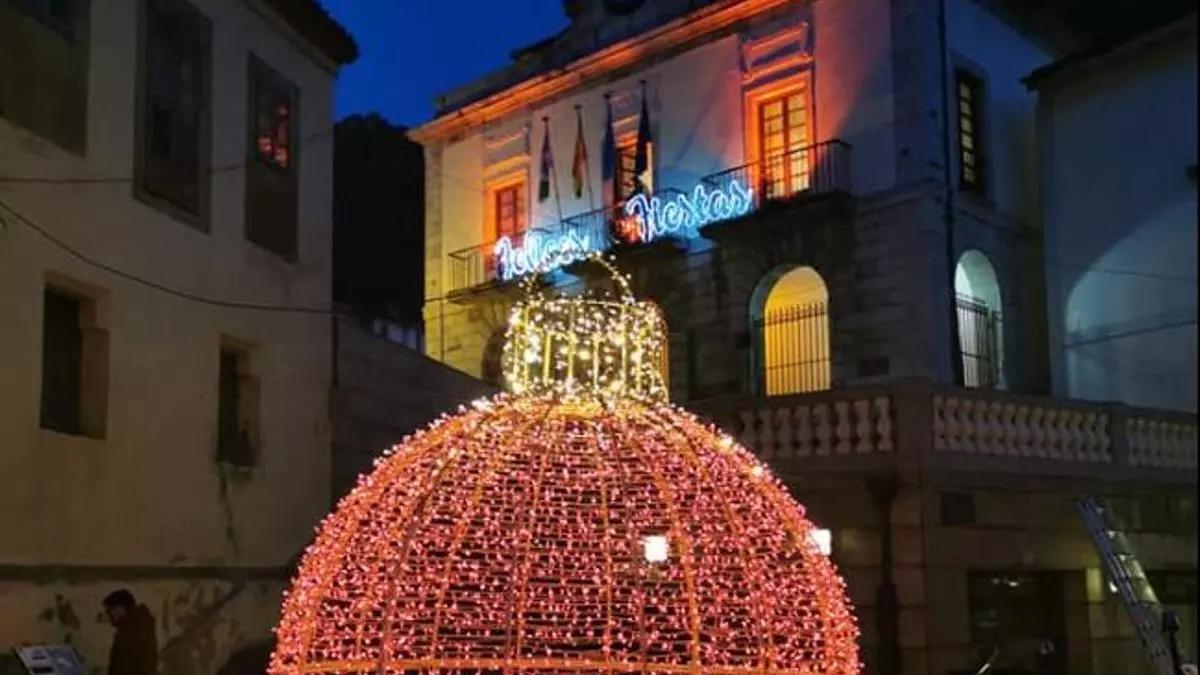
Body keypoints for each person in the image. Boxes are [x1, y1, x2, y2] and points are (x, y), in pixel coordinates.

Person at [102, 589, 158, 675]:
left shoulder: (128, 633)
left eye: (109, 610)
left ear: (120, 608)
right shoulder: (141, 627)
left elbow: (122, 667)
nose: (109, 614)